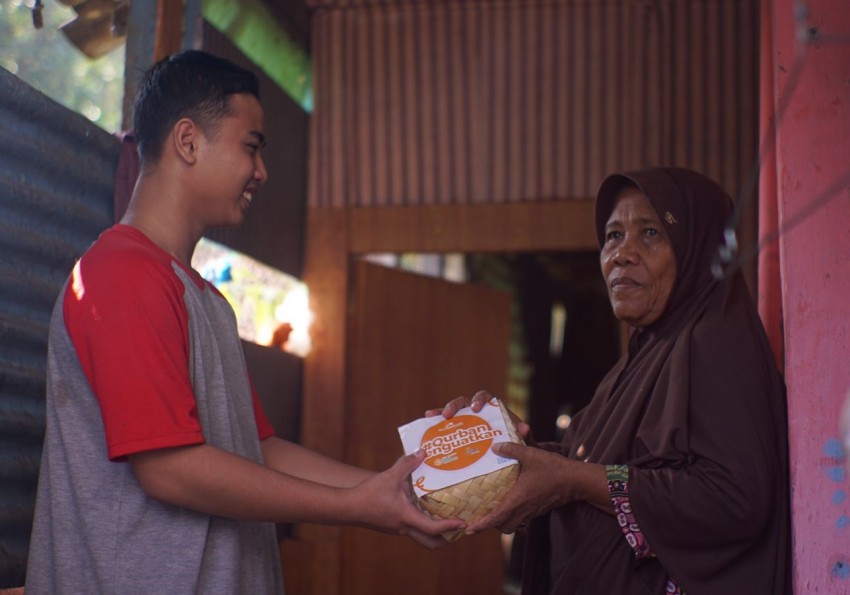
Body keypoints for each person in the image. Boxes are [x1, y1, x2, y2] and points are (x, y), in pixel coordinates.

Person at [25, 50, 462, 594]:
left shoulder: (204, 297)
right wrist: (356, 507)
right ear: (187, 141)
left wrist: (390, 488)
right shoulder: (119, 273)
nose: (262, 172)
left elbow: (261, 449)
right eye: (250, 147)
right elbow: (169, 468)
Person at [434, 167, 791, 594]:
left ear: (700, 248)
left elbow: (735, 500)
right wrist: (499, 444)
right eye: (613, 235)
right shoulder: (641, 358)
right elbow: (584, 463)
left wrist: (571, 480)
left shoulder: (714, 341)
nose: (621, 254)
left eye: (651, 233)